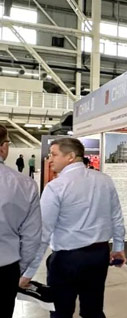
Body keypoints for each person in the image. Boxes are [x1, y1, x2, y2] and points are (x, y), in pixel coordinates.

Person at [21, 137, 126, 318]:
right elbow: (116, 216)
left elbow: (43, 233)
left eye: (54, 154)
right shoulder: (105, 180)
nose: (49, 159)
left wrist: (28, 272)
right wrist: (118, 248)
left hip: (67, 260)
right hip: (99, 256)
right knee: (93, 310)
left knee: (61, 311)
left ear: (70, 156)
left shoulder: (55, 187)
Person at [0, 126, 41, 317]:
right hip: (5, 269)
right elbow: (32, 237)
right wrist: (19, 268)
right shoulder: (25, 184)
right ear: (3, 147)